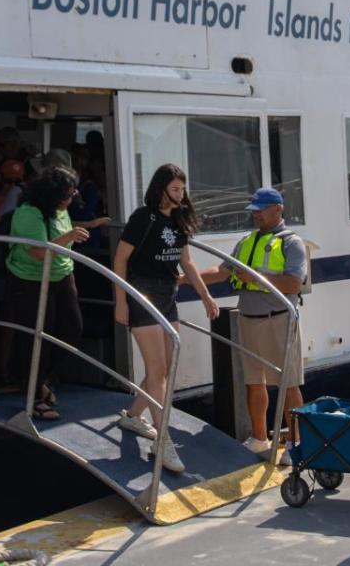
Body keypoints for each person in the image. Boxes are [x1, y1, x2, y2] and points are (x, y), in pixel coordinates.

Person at [113, 164, 219, 474]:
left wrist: (206, 296)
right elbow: (120, 258)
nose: (180, 195)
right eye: (175, 189)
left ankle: (132, 417)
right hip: (141, 295)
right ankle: (163, 440)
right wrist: (120, 301)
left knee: (167, 368)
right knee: (156, 368)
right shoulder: (143, 218)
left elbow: (186, 262)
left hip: (167, 297)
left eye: (182, 190)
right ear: (161, 189)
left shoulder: (178, 221)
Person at [197, 187, 307, 466]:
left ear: (278, 209)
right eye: (254, 210)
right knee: (253, 382)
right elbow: (221, 272)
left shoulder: (292, 243)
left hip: (278, 320)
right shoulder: (245, 242)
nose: (256, 215)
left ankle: (295, 444)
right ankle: (259, 438)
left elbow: (294, 283)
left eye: (261, 209)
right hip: (248, 319)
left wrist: (256, 277)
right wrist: (184, 279)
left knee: (288, 384)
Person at [3, 167, 90, 420]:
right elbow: (40, 251)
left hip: (61, 275)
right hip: (30, 280)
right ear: (52, 194)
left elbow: (61, 232)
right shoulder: (29, 212)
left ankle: (44, 382)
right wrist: (71, 235)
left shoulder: (60, 209)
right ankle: (36, 396)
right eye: (68, 194)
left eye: (73, 193)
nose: (71, 199)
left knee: (72, 329)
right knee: (38, 337)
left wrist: (85, 226)